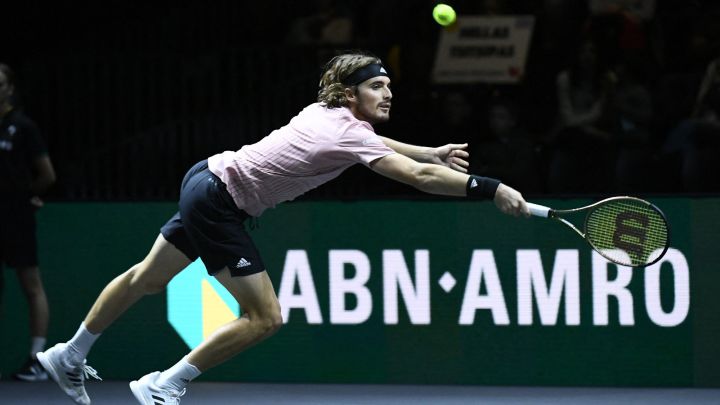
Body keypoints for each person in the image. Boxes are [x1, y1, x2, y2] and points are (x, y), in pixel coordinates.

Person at [37, 51, 530, 405]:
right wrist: (490, 188)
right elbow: (419, 179)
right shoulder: (347, 130)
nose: (388, 93)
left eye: (389, 86)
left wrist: (427, 150)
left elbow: (395, 152)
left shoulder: (327, 112)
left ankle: (70, 351)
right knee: (265, 317)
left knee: (149, 278)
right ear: (350, 92)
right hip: (221, 202)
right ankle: (164, 384)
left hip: (205, 178)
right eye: (377, 86)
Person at [0, 63, 57, 381]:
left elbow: (47, 174)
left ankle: (37, 359)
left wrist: (25, 196)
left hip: (16, 217)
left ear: (9, 88)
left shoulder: (22, 127)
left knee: (30, 285)